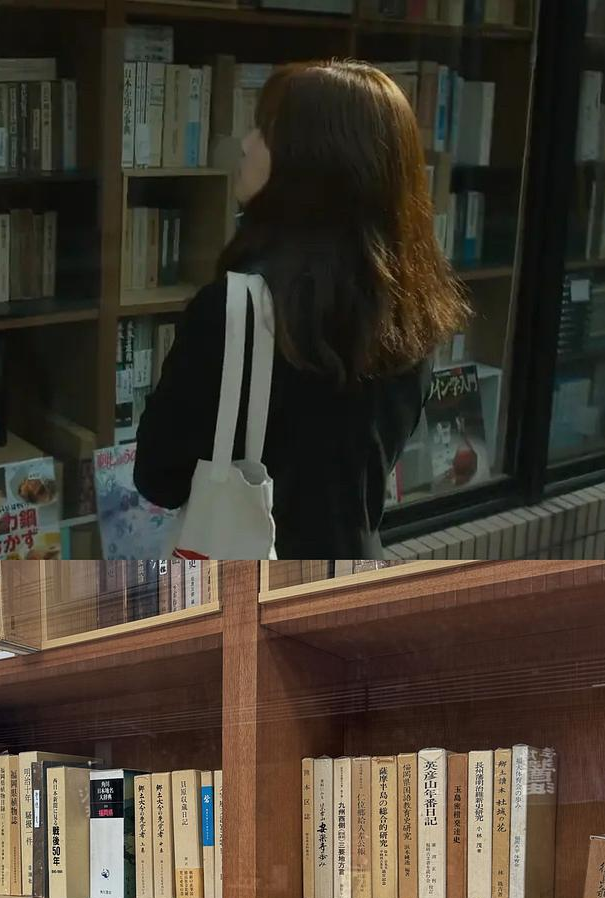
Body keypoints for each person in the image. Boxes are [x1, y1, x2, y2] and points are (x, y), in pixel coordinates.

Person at [134, 60, 471, 559]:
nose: (246, 144)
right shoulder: (412, 306)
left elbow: (158, 477)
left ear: (310, 163)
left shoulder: (235, 311)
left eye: (265, 131)